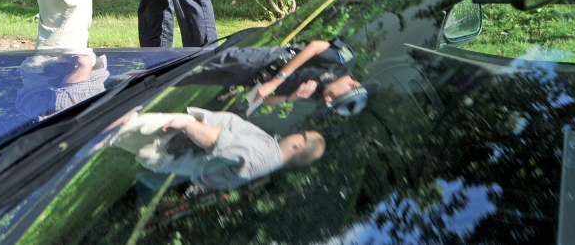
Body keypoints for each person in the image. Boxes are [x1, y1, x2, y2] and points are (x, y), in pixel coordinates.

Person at [107, 107, 325, 190]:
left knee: (111, 125)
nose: (299, 132)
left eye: (303, 134)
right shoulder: (264, 168)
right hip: (167, 158)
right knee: (110, 135)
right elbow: (207, 177)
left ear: (300, 144)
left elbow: (219, 142)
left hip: (171, 139)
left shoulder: (266, 151)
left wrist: (187, 124)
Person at [181, 37, 377, 116]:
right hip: (262, 60)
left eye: (331, 102)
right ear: (353, 84)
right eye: (334, 98)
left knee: (189, 78)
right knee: (198, 62)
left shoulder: (320, 94)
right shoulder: (343, 61)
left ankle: (158, 79)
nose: (327, 99)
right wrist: (277, 80)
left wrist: (291, 98)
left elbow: (265, 102)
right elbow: (316, 46)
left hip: (249, 80)